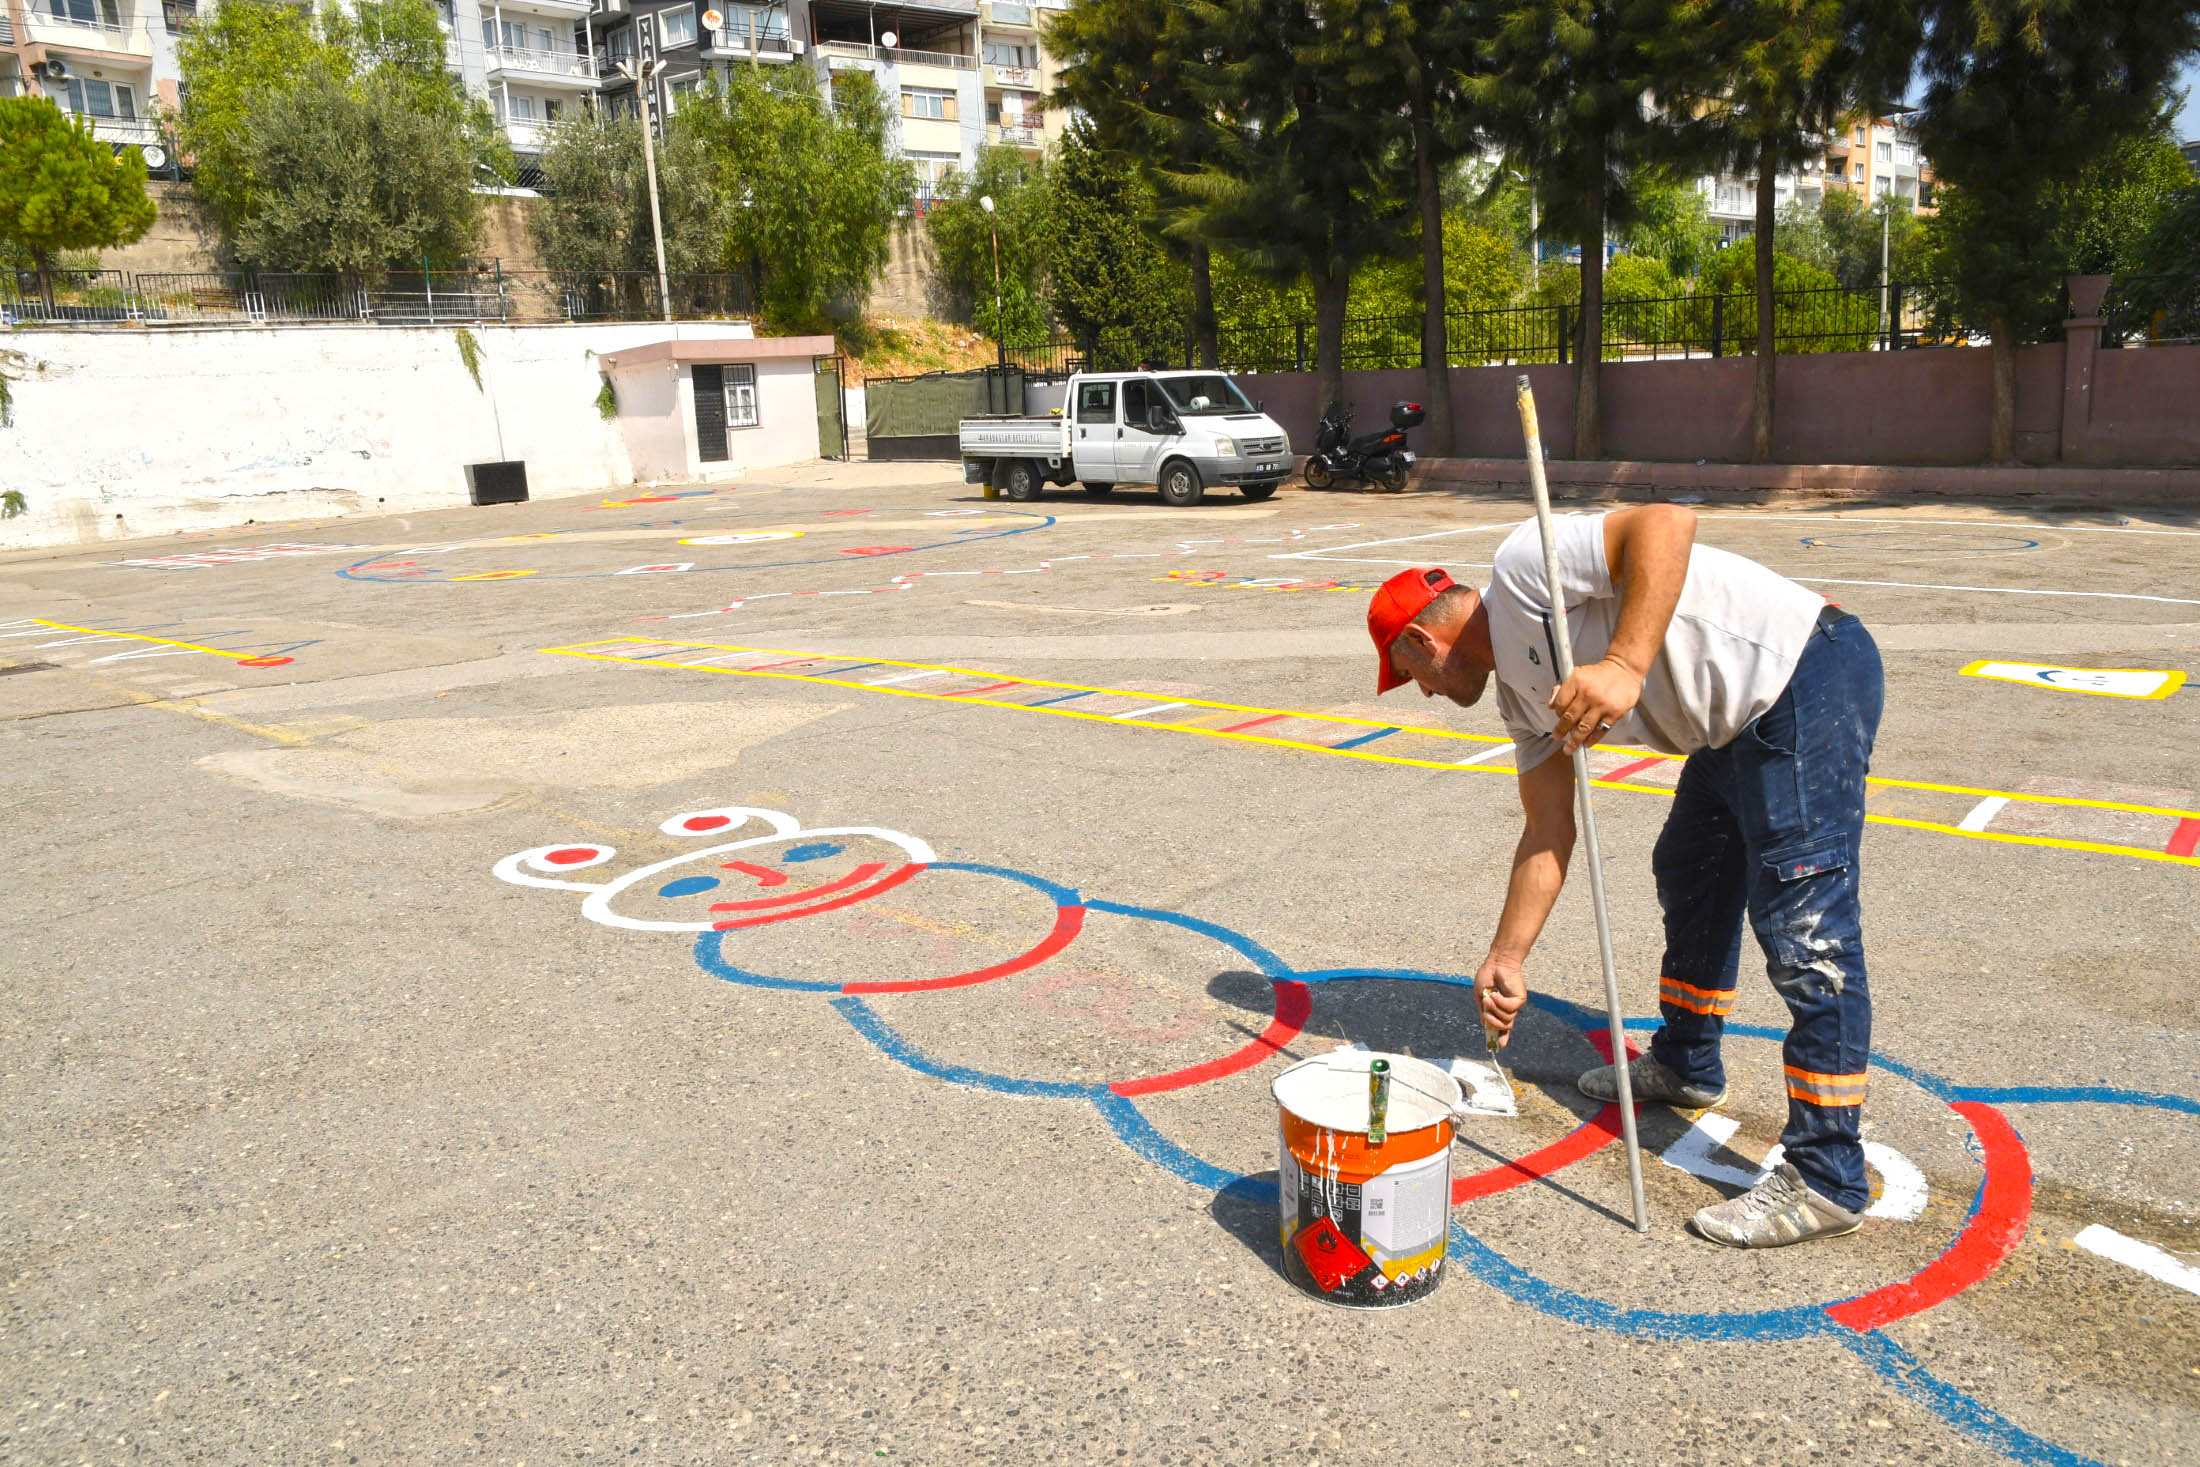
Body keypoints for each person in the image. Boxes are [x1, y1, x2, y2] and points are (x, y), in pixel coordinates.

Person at [1365, 506, 1884, 1247]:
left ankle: (1828, 1175)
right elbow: (1548, 831)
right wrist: (1507, 956)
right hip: (1730, 723)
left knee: (1806, 930)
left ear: (1423, 638)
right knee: (1691, 866)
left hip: (1803, 672)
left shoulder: (1524, 571)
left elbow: (1668, 524)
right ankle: (1687, 1062)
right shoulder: (1518, 702)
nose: (1420, 691)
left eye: (1409, 672)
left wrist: (1625, 665)